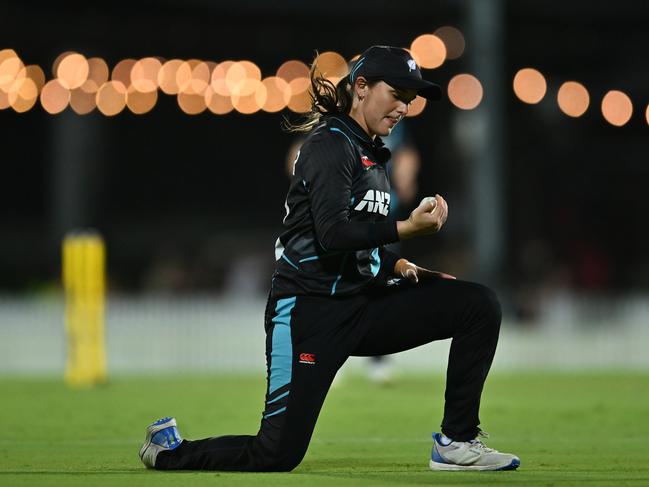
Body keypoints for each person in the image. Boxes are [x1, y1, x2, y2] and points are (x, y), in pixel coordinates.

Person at [139, 45, 520, 472]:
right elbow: (333, 233)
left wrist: (398, 264)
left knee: (477, 305)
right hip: (308, 312)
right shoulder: (329, 145)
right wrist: (407, 229)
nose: (403, 108)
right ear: (361, 87)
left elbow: (360, 242)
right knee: (276, 454)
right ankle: (168, 449)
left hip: (362, 306)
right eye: (395, 94)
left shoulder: (371, 152)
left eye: (409, 100)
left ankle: (457, 442)